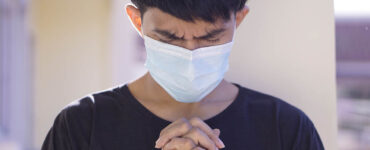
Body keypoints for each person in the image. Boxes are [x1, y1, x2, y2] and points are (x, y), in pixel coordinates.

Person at [41, 0, 325, 149]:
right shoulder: (82, 126)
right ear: (136, 21)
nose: (191, 53)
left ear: (238, 20)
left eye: (210, 38)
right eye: (170, 39)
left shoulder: (286, 130)